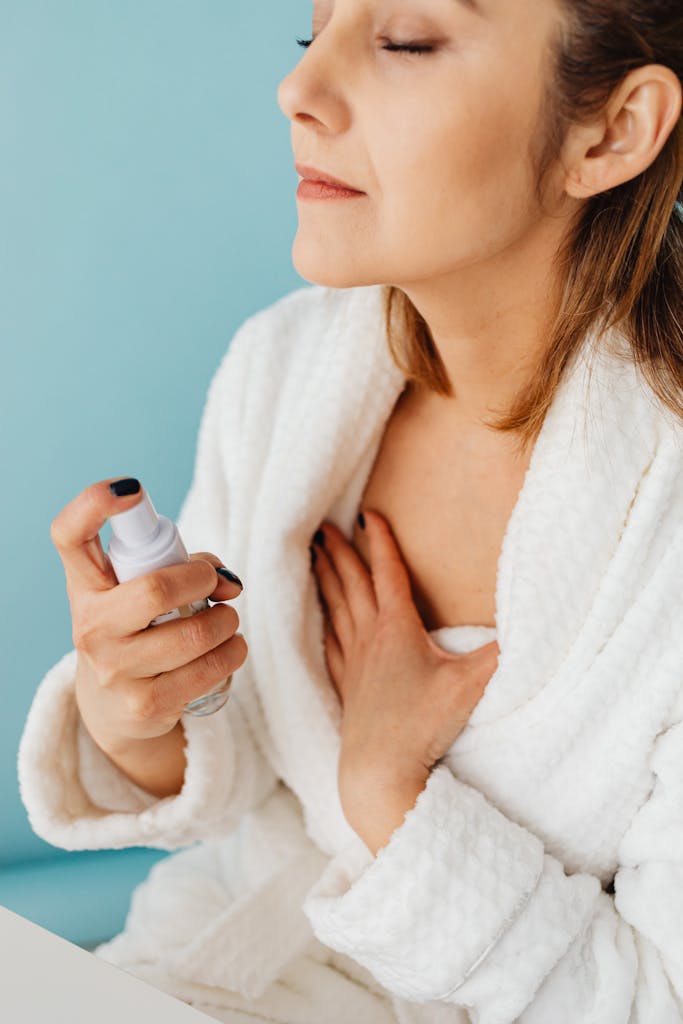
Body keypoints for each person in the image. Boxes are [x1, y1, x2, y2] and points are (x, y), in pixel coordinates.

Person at [18, 1, 683, 1022]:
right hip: (203, 965)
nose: (297, 90)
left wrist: (391, 795)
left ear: (610, 131)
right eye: (312, 30)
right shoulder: (290, 372)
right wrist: (140, 707)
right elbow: (240, 763)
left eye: (405, 41)